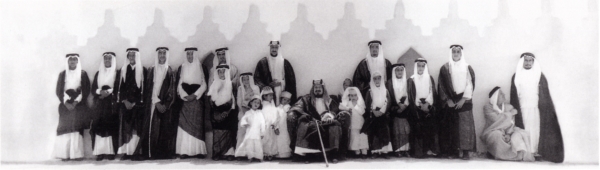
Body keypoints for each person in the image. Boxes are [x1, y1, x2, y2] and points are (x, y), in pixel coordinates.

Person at [510, 52, 564, 163]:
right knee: (524, 129)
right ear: (522, 62)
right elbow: (514, 94)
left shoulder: (539, 75)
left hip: (536, 108)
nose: (528, 63)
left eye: (530, 61)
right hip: (522, 107)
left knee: (535, 129)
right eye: (526, 60)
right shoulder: (516, 76)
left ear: (533, 62)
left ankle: (535, 151)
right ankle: (526, 151)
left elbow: (544, 93)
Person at [288, 79, 348, 163]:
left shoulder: (330, 99)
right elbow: (297, 107)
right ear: (313, 89)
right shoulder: (306, 99)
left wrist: (330, 116)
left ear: (323, 89)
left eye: (320, 87)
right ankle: (308, 155)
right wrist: (304, 115)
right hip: (312, 121)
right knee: (306, 126)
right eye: (315, 87)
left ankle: (334, 154)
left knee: (335, 125)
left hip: (327, 121)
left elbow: (335, 110)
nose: (317, 89)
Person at [137, 47, 177, 160]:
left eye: (164, 53)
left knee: (164, 128)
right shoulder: (151, 70)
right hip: (153, 104)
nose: (162, 56)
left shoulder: (170, 70)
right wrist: (156, 101)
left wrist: (166, 105)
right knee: (152, 128)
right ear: (157, 55)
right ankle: (151, 153)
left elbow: (172, 89)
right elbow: (150, 88)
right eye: (160, 53)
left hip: (165, 107)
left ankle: (162, 154)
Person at [437, 45, 476, 160]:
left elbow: (470, 84)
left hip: (464, 100)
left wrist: (463, 99)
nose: (456, 53)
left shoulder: (467, 67)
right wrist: (448, 100)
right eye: (454, 51)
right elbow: (441, 85)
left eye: (458, 52)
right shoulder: (445, 68)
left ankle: (465, 152)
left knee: (465, 127)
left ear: (461, 53)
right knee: (450, 127)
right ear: (451, 53)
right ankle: (452, 151)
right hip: (450, 100)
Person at [54, 53, 91, 161]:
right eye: (71, 60)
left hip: (78, 106)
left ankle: (76, 155)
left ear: (77, 61)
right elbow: (59, 90)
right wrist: (66, 103)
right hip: (65, 105)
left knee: (76, 129)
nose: (73, 62)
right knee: (64, 129)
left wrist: (75, 102)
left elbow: (86, 90)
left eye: (75, 60)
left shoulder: (83, 74)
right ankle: (64, 155)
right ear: (67, 61)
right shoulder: (62, 74)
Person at [482, 87, 534, 162]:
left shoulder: (508, 107)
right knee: (496, 135)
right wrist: (510, 113)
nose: (504, 95)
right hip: (493, 130)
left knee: (520, 134)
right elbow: (497, 120)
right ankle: (498, 155)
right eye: (501, 94)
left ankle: (515, 156)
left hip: (509, 131)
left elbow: (512, 122)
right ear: (495, 97)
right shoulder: (488, 108)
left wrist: (509, 133)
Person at [175, 47, 209, 159]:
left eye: (192, 54)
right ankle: (184, 151)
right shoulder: (182, 67)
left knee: (197, 127)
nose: (190, 56)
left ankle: (198, 151)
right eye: (188, 54)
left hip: (197, 101)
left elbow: (204, 84)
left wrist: (195, 95)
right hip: (185, 102)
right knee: (184, 126)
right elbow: (179, 85)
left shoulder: (200, 67)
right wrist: (185, 96)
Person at [117, 48, 147, 160]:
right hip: (126, 105)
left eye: (133, 55)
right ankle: (127, 152)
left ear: (137, 56)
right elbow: (120, 88)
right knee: (127, 129)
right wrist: (125, 101)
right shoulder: (123, 70)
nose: (131, 58)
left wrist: (134, 103)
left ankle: (136, 152)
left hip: (138, 105)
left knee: (136, 129)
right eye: (129, 56)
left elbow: (144, 89)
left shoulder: (143, 70)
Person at [90, 52, 120, 161]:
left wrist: (108, 92)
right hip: (100, 104)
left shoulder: (117, 73)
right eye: (106, 59)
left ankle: (110, 152)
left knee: (110, 127)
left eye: (109, 59)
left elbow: (118, 88)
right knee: (99, 127)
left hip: (111, 104)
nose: (107, 61)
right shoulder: (98, 73)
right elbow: (93, 89)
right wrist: (100, 92)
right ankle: (100, 152)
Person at [407, 58, 439, 158]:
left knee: (430, 128)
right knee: (418, 129)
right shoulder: (411, 79)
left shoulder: (429, 78)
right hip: (417, 109)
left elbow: (432, 92)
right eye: (418, 66)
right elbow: (411, 95)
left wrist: (427, 104)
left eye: (422, 66)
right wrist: (420, 105)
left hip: (428, 107)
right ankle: (419, 152)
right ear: (415, 66)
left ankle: (430, 150)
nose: (420, 68)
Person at [208, 64, 238, 161]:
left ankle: (229, 154)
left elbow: (233, 99)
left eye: (223, 71)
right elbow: (211, 99)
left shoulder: (230, 84)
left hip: (228, 112)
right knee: (218, 133)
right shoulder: (214, 84)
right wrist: (218, 112)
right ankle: (217, 153)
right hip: (217, 112)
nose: (221, 74)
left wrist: (228, 111)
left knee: (228, 133)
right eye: (219, 72)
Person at [254, 41, 297, 105]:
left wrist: (281, 83)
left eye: (276, 47)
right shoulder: (263, 62)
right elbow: (257, 78)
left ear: (278, 49)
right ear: (269, 48)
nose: (274, 49)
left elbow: (291, 80)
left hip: (281, 90)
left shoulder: (284, 62)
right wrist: (265, 86)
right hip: (269, 92)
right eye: (272, 47)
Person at [362, 71, 393, 159]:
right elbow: (368, 103)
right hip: (374, 115)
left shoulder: (385, 91)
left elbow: (388, 102)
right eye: (375, 79)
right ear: (372, 80)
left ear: (381, 79)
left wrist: (383, 110)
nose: (377, 80)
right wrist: (374, 111)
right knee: (375, 133)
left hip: (383, 115)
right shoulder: (370, 91)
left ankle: (385, 151)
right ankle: (375, 152)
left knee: (385, 132)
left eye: (379, 78)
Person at [386, 63, 410, 157]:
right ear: (394, 71)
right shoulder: (389, 83)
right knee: (396, 130)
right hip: (394, 110)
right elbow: (388, 97)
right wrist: (398, 105)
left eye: (401, 70)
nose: (399, 72)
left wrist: (404, 105)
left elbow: (410, 95)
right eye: (397, 70)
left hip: (406, 110)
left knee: (406, 130)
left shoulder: (408, 82)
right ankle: (397, 150)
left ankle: (406, 150)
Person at [338, 87, 368, 159]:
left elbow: (362, 112)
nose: (353, 97)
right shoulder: (348, 103)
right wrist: (347, 108)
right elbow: (341, 107)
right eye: (351, 95)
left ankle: (364, 152)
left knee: (362, 136)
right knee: (354, 136)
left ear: (358, 95)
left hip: (360, 122)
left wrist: (356, 106)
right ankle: (356, 152)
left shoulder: (360, 103)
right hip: (352, 122)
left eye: (355, 95)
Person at [234, 95, 265, 162]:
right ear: (251, 103)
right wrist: (245, 123)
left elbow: (262, 123)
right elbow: (243, 119)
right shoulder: (248, 113)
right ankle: (250, 156)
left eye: (258, 103)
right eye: (255, 102)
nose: (256, 104)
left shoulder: (260, 113)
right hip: (250, 132)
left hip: (257, 133)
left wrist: (262, 132)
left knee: (257, 145)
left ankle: (258, 156)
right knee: (250, 144)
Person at [236, 72, 261, 152]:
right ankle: (241, 153)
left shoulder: (256, 88)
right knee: (242, 131)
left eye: (248, 79)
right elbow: (239, 102)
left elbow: (258, 100)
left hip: (254, 112)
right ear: (241, 80)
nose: (246, 81)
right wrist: (244, 112)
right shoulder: (240, 89)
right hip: (243, 112)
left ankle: (252, 153)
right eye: (244, 80)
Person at [260, 86, 279, 160]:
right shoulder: (263, 106)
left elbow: (276, 115)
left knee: (272, 140)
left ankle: (271, 154)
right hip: (265, 126)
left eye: (272, 95)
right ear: (264, 96)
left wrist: (276, 126)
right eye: (270, 95)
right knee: (266, 140)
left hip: (272, 126)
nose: (272, 97)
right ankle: (265, 154)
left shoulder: (272, 105)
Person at [275, 91, 293, 159]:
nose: (286, 101)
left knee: (287, 139)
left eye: (288, 100)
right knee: (279, 140)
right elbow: (275, 119)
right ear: (281, 99)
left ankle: (287, 153)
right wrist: (276, 127)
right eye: (284, 99)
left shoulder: (289, 108)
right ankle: (280, 154)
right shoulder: (277, 109)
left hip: (286, 127)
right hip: (280, 127)